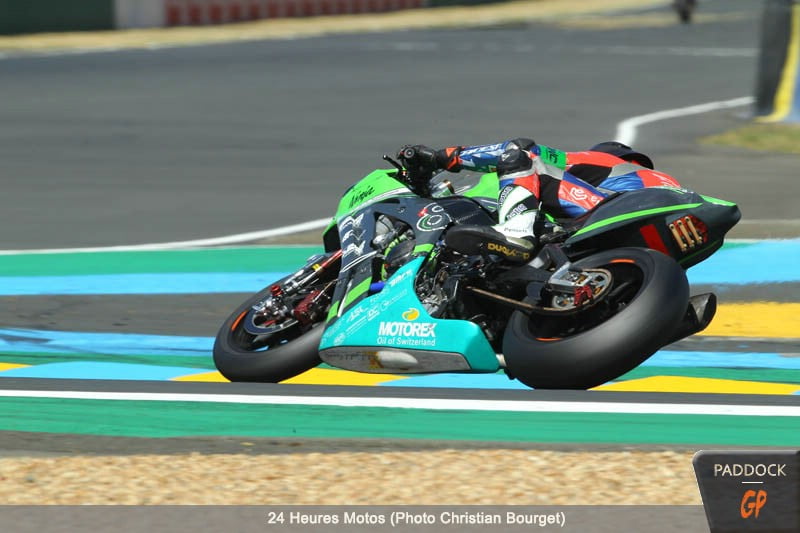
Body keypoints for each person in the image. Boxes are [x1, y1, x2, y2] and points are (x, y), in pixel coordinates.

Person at [397, 138, 682, 263]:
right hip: (655, 247)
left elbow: (527, 148)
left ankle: (517, 231)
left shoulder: (606, 160)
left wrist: (443, 157)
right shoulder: (669, 185)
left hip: (614, 211)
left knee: (520, 156)